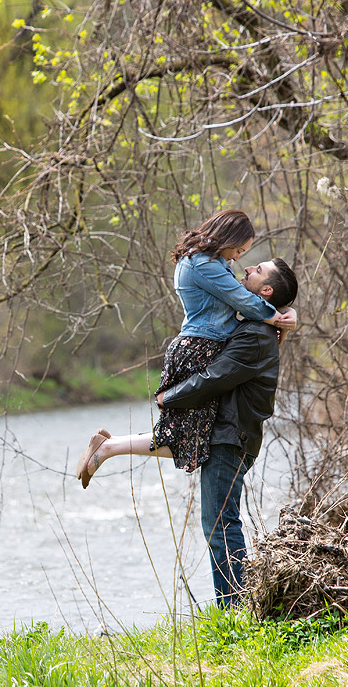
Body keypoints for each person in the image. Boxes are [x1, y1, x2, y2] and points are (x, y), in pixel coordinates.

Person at [74, 209, 294, 487]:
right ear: (226, 237)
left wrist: (287, 311)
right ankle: (107, 448)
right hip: (198, 351)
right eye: (238, 249)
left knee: (188, 438)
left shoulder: (208, 262)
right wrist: (279, 318)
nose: (238, 258)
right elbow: (244, 300)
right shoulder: (204, 265)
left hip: (201, 347)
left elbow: (256, 295)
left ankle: (109, 446)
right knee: (184, 439)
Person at [156, 259, 298, 607]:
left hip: (231, 438)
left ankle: (235, 608)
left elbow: (216, 376)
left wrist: (168, 397)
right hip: (229, 435)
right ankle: (237, 605)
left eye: (259, 269)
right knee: (220, 522)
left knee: (220, 524)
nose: (248, 267)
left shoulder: (256, 334)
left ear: (266, 290)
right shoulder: (255, 324)